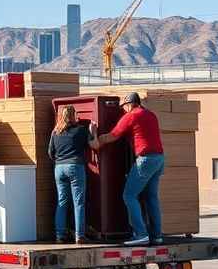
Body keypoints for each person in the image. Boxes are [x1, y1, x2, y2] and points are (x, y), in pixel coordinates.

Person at [90, 92, 164, 246]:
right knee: (151, 197)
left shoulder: (131, 116)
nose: (123, 110)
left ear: (129, 104)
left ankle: (141, 234)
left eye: (124, 107)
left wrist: (95, 135)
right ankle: (157, 235)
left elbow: (112, 136)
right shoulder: (151, 115)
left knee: (129, 195)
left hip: (145, 160)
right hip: (159, 158)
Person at [49, 105, 91, 244]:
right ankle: (79, 235)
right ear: (74, 115)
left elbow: (51, 153)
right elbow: (92, 145)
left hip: (59, 168)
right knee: (78, 203)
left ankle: (60, 235)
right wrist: (94, 131)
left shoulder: (55, 132)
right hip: (75, 166)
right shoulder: (80, 130)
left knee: (62, 202)